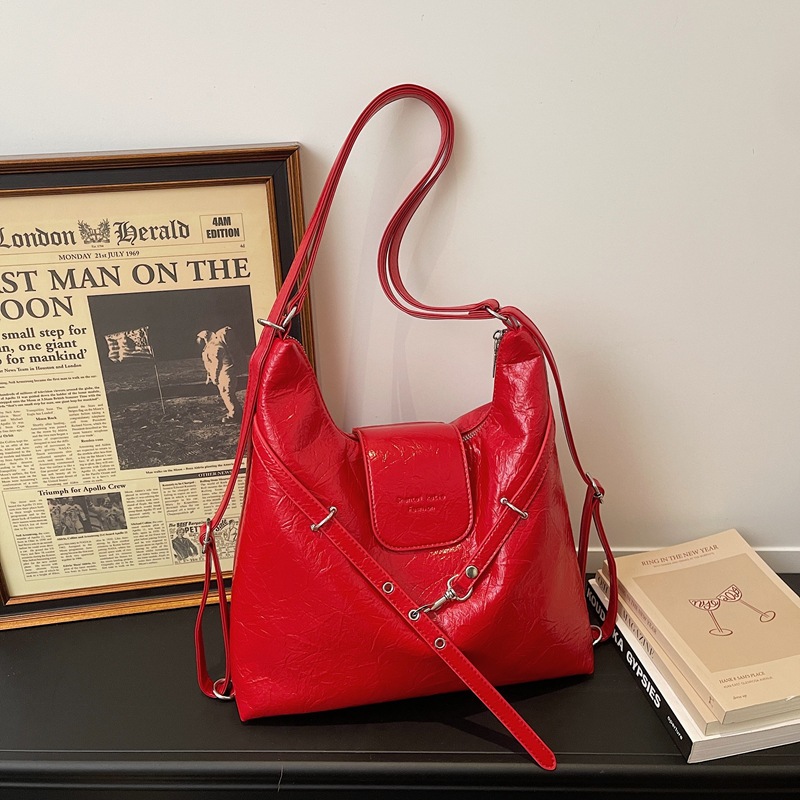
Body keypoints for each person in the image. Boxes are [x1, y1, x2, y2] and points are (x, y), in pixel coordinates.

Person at [196, 326, 242, 422]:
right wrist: (209, 376)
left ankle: (234, 414)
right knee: (227, 394)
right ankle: (237, 412)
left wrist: (215, 377)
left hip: (226, 373)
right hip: (223, 373)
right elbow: (210, 364)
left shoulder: (216, 347)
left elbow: (217, 364)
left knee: (227, 393)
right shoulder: (211, 347)